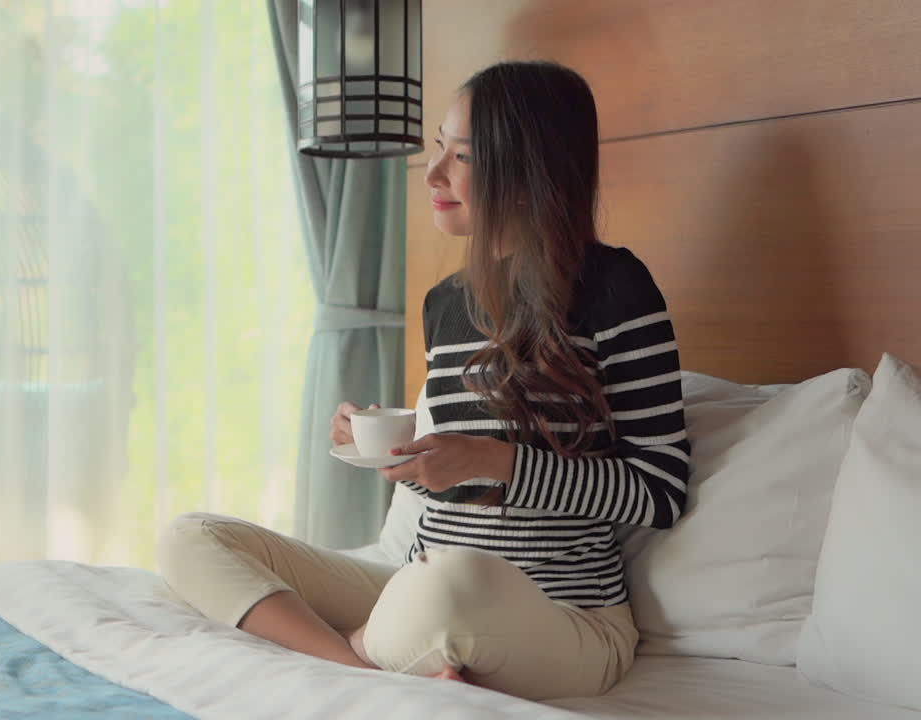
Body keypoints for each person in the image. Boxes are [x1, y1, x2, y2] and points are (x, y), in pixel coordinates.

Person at [156, 61, 689, 700]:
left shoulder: (615, 289)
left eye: (460, 156)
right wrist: (392, 440)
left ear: (527, 173)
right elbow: (468, 444)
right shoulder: (445, 303)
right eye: (438, 146)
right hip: (421, 584)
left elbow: (661, 491)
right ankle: (358, 666)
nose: (432, 173)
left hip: (564, 618)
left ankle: (359, 648)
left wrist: (499, 464)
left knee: (450, 585)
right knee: (193, 537)